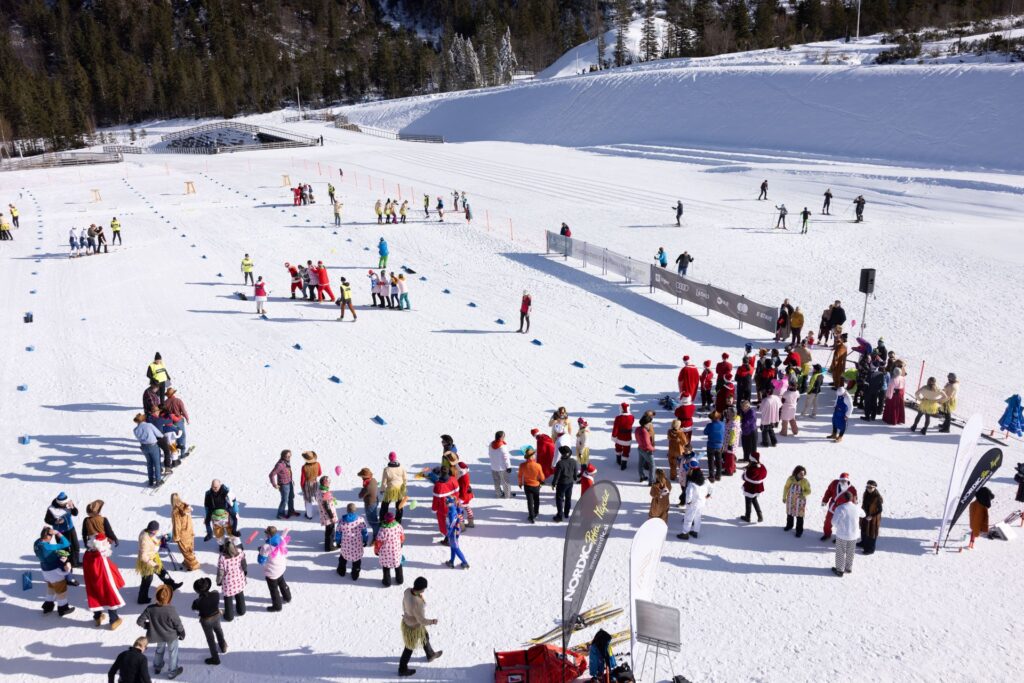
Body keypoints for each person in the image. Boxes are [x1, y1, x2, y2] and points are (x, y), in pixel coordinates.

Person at [137, 584, 185, 678]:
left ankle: (157, 667)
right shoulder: (171, 610)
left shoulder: (150, 609)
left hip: (158, 635)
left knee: (159, 650)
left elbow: (139, 621)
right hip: (171, 636)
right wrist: (182, 632)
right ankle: (172, 671)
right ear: (169, 597)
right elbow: (178, 624)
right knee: (173, 653)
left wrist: (148, 626)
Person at [399, 576, 442, 676]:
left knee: (424, 636)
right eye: (424, 588)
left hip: (407, 620)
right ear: (421, 589)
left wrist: (407, 613)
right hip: (413, 627)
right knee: (409, 648)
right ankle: (402, 669)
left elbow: (404, 603)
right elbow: (422, 621)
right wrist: (432, 621)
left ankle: (430, 654)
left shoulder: (407, 591)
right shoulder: (417, 603)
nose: (424, 590)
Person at [34, 526, 76, 616]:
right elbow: (66, 543)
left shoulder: (37, 543)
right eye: (51, 536)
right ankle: (63, 608)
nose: (51, 538)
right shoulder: (49, 547)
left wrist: (45, 531)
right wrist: (57, 533)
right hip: (55, 573)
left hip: (45, 571)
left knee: (51, 588)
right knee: (61, 590)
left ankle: (48, 606)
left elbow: (41, 539)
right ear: (48, 536)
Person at [136, 521, 181, 604]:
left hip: (153, 557)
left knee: (162, 572)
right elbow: (143, 556)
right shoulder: (144, 540)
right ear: (154, 530)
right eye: (157, 530)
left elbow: (153, 539)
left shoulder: (149, 532)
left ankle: (171, 585)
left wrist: (160, 541)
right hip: (147, 562)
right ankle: (142, 598)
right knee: (147, 581)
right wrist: (154, 564)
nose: (157, 532)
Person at [191, 577, 227, 666]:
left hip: (206, 621)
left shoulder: (198, 602)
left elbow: (194, 609)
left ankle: (215, 659)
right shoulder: (216, 594)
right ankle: (223, 646)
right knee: (219, 631)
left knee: (210, 639)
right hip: (216, 616)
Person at [258, 526, 292, 611]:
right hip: (281, 567)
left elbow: (261, 561)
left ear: (269, 535)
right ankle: (287, 597)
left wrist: (260, 551)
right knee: (282, 582)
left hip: (272, 572)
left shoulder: (266, 547)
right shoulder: (280, 539)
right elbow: (283, 536)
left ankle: (277, 606)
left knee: (273, 590)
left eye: (266, 533)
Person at [830, 489, 862, 577]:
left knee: (840, 552)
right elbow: (864, 514)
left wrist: (838, 526)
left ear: (843, 498)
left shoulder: (840, 508)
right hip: (854, 535)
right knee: (851, 551)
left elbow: (833, 522)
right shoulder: (856, 508)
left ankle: (840, 570)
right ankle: (848, 567)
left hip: (842, 534)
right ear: (852, 498)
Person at [44, 491, 81, 567]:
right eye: (64, 503)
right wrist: (56, 521)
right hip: (60, 532)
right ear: (60, 503)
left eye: (66, 502)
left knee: (75, 546)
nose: (66, 504)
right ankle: (66, 564)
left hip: (70, 529)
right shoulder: (51, 509)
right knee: (64, 549)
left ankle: (75, 563)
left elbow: (75, 513)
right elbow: (47, 520)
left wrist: (73, 507)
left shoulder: (68, 503)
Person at [215, 537, 247, 621]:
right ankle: (241, 611)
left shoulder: (222, 558)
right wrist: (245, 572)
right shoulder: (240, 552)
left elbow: (220, 572)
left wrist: (218, 581)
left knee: (228, 599)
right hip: (239, 579)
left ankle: (229, 616)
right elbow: (244, 564)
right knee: (240, 594)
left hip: (228, 584)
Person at [169, 494, 201, 571]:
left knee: (186, 551)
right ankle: (187, 562)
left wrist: (176, 537)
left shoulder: (176, 512)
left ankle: (194, 565)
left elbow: (177, 525)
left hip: (183, 534)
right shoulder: (186, 507)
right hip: (189, 531)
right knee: (190, 549)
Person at [337, 503, 368, 580]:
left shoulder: (342, 521)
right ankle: (355, 574)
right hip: (356, 545)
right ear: (355, 510)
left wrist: (338, 542)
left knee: (343, 558)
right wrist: (365, 540)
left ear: (347, 510)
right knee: (356, 560)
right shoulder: (360, 520)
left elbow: (338, 533)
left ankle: (341, 571)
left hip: (346, 545)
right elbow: (364, 532)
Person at [133, 414, 164, 487]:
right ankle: (158, 480)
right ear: (144, 419)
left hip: (144, 447)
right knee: (156, 463)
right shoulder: (149, 425)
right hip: (152, 445)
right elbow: (159, 434)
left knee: (149, 463)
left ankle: (150, 480)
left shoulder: (135, 430)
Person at [820, 473, 854, 541]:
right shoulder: (834, 483)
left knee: (841, 524)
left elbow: (853, 499)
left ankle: (839, 537)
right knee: (828, 521)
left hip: (843, 509)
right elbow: (828, 492)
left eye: (844, 480)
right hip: (833, 506)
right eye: (841, 480)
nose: (842, 481)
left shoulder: (851, 489)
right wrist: (825, 500)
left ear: (847, 480)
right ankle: (827, 534)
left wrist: (852, 508)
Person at [375, 511, 406, 586]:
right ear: (393, 518)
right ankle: (400, 579)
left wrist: (376, 550)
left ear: (385, 519)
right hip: (396, 551)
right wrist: (401, 543)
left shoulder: (382, 529)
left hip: (385, 553)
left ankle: (387, 582)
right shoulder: (398, 526)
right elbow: (402, 536)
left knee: (386, 566)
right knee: (398, 564)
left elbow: (378, 542)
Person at [679, 466, 709, 539]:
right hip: (701, 503)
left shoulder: (692, 484)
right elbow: (709, 489)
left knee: (688, 518)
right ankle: (695, 531)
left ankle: (685, 533)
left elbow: (689, 494)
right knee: (697, 518)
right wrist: (707, 495)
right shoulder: (705, 482)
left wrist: (688, 502)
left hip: (693, 503)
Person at [551, 446, 579, 522]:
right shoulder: (573, 461)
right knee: (568, 498)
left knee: (559, 499)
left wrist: (553, 483)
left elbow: (557, 476)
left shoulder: (560, 463)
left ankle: (559, 515)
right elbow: (575, 471)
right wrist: (575, 478)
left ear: (562, 454)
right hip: (570, 483)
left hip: (562, 483)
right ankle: (566, 514)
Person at [380, 451, 408, 523]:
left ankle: (383, 519)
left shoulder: (386, 469)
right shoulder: (401, 468)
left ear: (389, 458)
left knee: (385, 505)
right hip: (400, 489)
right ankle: (398, 520)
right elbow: (405, 479)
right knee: (399, 505)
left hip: (390, 489)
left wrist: (382, 490)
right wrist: (404, 487)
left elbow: (384, 482)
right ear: (395, 458)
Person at [783, 466, 811, 537]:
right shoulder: (791, 479)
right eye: (800, 474)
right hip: (790, 499)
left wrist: (803, 494)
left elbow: (809, 491)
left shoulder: (805, 481)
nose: (802, 475)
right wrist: (784, 497)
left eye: (803, 474)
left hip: (800, 501)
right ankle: (789, 525)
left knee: (799, 516)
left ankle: (799, 530)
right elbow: (786, 487)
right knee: (789, 513)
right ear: (796, 473)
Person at [517, 448, 544, 523]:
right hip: (536, 485)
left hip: (527, 486)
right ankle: (536, 512)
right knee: (536, 499)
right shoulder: (538, 465)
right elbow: (542, 477)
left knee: (530, 501)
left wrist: (520, 483)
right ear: (532, 456)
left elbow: (519, 476)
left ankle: (531, 516)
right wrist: (541, 481)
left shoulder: (522, 465)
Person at [269, 450, 297, 520]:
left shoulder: (287, 462)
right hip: (284, 485)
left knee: (291, 497)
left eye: (290, 456)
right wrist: (274, 484)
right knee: (285, 500)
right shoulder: (280, 465)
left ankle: (291, 511)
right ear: (283, 456)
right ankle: (280, 514)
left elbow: (288, 472)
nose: (289, 457)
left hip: (289, 482)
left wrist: (291, 480)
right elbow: (271, 475)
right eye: (287, 456)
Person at [740, 452, 766, 523]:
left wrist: (745, 472)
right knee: (754, 500)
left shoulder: (752, 469)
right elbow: (763, 474)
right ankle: (760, 515)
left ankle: (747, 517)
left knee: (748, 501)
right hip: (758, 487)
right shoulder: (762, 466)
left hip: (750, 487)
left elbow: (745, 477)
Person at [858, 480, 883, 555]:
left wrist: (871, 516)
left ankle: (870, 549)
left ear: (875, 488)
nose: (869, 489)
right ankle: (863, 543)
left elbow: (880, 510)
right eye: (867, 487)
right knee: (863, 529)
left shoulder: (877, 498)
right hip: (865, 515)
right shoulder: (865, 493)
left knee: (872, 533)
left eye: (871, 487)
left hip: (873, 518)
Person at [443, 497, 469, 569]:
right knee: (453, 547)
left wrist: (448, 533)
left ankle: (465, 563)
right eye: (445, 502)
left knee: (456, 548)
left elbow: (452, 524)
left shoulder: (452, 512)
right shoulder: (453, 508)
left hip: (453, 533)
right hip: (454, 532)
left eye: (447, 502)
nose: (446, 503)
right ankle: (451, 561)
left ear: (451, 503)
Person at [318, 476, 340, 552]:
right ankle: (329, 547)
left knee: (328, 530)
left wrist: (331, 498)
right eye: (328, 482)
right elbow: (327, 507)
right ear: (324, 483)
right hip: (328, 516)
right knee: (330, 531)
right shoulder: (325, 493)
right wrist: (332, 517)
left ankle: (328, 543)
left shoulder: (320, 490)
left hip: (324, 514)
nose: (329, 483)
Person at [300, 452, 323, 519]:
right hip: (315, 482)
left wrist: (302, 487)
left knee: (308, 500)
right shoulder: (318, 464)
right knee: (318, 498)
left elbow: (303, 479)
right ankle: (321, 511)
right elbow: (319, 473)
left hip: (307, 484)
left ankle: (309, 515)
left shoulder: (304, 467)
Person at [612, 402, 635, 470]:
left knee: (618, 448)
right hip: (628, 437)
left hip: (619, 437)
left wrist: (614, 436)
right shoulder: (632, 417)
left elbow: (615, 428)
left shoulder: (618, 418)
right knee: (626, 451)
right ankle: (624, 465)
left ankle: (618, 460)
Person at [635, 414, 656, 483]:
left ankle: (642, 476)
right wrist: (653, 449)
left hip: (640, 448)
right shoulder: (645, 432)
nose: (650, 424)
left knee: (640, 463)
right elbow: (647, 444)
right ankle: (651, 481)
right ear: (646, 423)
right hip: (646, 451)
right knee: (652, 465)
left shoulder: (638, 429)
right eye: (650, 423)